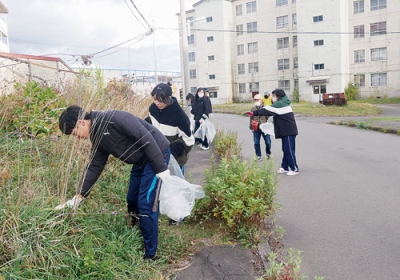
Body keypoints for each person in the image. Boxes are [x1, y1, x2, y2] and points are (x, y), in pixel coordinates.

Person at [57, 105, 171, 259]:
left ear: (82, 123)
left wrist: (161, 168)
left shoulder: (115, 118)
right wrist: (78, 197)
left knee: (146, 202)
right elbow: (95, 166)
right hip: (140, 161)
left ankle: (150, 253)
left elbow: (146, 137)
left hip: (157, 153)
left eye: (74, 133)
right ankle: (137, 230)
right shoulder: (97, 137)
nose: (76, 137)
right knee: (132, 198)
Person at [146, 83, 195, 225]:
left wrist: (169, 151)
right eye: (155, 99)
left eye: (161, 100)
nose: (157, 103)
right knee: (158, 185)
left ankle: (176, 216)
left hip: (175, 158)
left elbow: (188, 140)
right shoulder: (153, 109)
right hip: (156, 155)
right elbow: (148, 124)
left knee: (176, 187)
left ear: (169, 98)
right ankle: (158, 210)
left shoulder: (179, 115)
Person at [245, 89, 299, 176]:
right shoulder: (282, 103)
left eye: (274, 96)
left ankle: (294, 168)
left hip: (289, 131)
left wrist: (253, 113)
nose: (273, 98)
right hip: (286, 131)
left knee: (289, 150)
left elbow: (267, 110)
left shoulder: (281, 104)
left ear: (278, 96)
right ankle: (284, 167)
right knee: (285, 150)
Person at [249, 94, 272, 161]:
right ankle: (258, 156)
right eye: (255, 100)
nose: (256, 101)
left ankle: (268, 153)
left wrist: (269, 128)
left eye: (257, 99)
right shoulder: (253, 109)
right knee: (256, 142)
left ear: (261, 100)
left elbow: (269, 119)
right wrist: (251, 127)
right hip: (256, 128)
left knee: (268, 142)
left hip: (265, 128)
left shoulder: (266, 108)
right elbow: (251, 118)